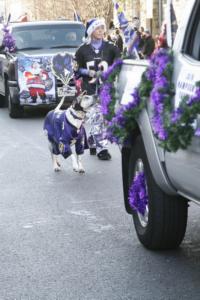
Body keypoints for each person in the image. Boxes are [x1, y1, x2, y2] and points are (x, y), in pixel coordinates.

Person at [74, 18, 120, 160]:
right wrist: (89, 73)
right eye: (97, 28)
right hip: (89, 90)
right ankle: (102, 149)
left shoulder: (111, 47)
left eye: (102, 28)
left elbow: (119, 64)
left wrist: (111, 71)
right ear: (91, 31)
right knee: (97, 117)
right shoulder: (82, 50)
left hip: (107, 89)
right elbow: (76, 70)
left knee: (103, 119)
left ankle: (93, 141)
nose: (100, 31)